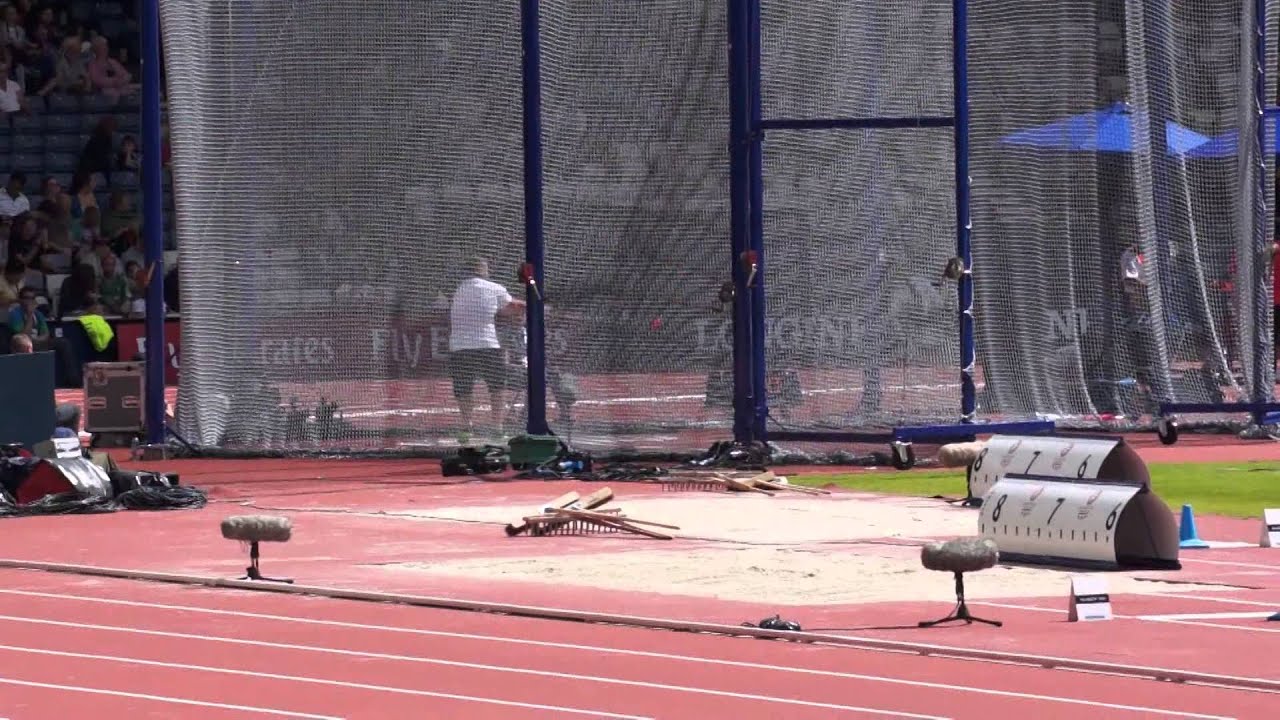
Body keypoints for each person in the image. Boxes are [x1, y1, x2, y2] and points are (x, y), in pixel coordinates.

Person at [448, 258, 525, 441]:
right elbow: (512, 309)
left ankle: (466, 427)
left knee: (463, 388)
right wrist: (536, 304)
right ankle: (497, 428)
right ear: (482, 270)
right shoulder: (494, 288)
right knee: (497, 387)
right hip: (487, 345)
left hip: (460, 347)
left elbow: (502, 309)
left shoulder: (458, 289)